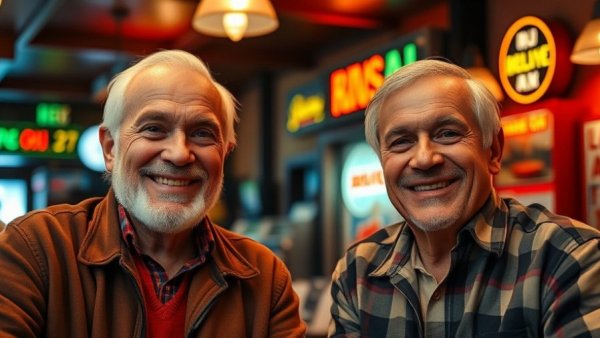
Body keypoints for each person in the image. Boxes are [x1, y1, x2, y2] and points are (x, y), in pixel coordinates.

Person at [0, 50, 306, 338]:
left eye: (202, 133)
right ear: (110, 148)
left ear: (224, 154)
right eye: (154, 128)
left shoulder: (265, 279)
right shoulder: (37, 248)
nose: (179, 154)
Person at [329, 59, 600, 337]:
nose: (424, 158)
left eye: (447, 134)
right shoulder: (357, 272)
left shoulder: (569, 257)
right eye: (401, 141)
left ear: (493, 151)